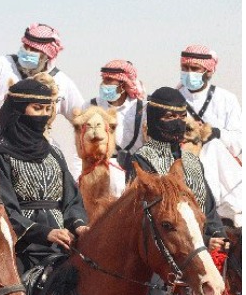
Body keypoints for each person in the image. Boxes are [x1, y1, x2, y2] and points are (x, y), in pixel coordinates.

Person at [0, 79, 89, 274]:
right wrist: (44, 232)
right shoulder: (0, 155)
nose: (44, 115)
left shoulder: (54, 153)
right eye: (37, 108)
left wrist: (79, 225)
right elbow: (2, 209)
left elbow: (72, 200)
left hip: (63, 246)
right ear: (19, 110)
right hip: (20, 249)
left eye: (47, 109)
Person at [0, 23, 85, 179]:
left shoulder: (62, 82)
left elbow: (82, 118)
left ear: (47, 55)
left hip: (40, 145)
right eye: (26, 47)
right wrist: (7, 102)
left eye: (35, 50)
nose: (29, 52)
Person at [128, 87, 227, 249]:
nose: (178, 123)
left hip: (205, 247)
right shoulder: (141, 160)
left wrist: (218, 235)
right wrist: (205, 239)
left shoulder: (191, 160)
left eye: (182, 116)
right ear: (154, 119)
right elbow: (146, 218)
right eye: (170, 117)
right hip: (168, 252)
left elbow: (208, 208)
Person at [177, 44, 242, 161]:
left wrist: (217, 134)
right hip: (180, 167)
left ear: (208, 72)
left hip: (218, 169)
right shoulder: (173, 99)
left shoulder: (227, 99)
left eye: (195, 69)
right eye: (185, 68)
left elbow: (239, 142)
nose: (189, 72)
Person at [83, 59, 147, 170]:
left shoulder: (143, 109)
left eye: (109, 80)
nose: (104, 85)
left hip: (136, 172)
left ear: (123, 85)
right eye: (103, 80)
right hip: (102, 172)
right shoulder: (91, 106)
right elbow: (81, 145)